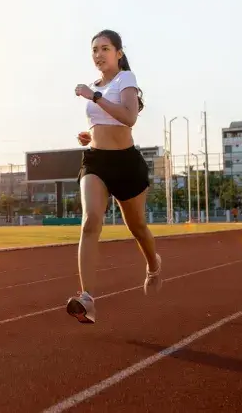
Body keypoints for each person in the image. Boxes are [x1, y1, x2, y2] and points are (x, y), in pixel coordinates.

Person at [65, 29, 162, 324]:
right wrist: (89, 135)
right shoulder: (94, 86)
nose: (98, 54)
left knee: (138, 227)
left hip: (126, 163)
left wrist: (93, 96)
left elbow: (129, 117)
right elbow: (102, 121)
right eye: (94, 50)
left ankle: (153, 265)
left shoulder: (125, 80)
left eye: (105, 48)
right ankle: (87, 299)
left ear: (118, 53)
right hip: (96, 161)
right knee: (91, 220)